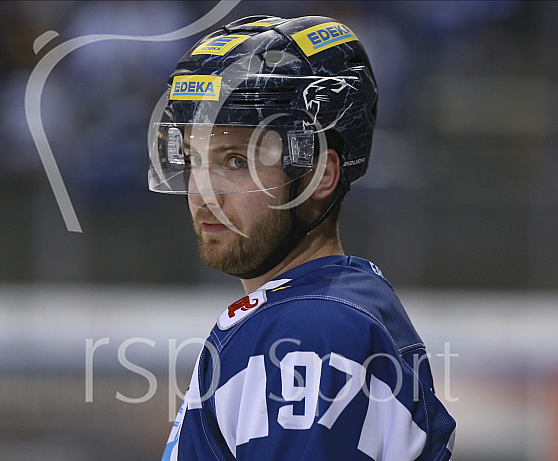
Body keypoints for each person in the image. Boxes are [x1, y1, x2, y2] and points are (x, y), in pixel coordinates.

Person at [148, 15, 456, 461]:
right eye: (195, 158)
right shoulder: (333, 310)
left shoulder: (308, 330)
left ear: (320, 175)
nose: (203, 193)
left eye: (236, 161)